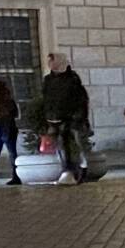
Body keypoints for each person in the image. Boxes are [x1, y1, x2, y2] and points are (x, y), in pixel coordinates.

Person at [39, 52, 93, 183]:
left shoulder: (72, 79)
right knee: (60, 146)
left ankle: (81, 169)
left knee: (76, 144)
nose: (50, 64)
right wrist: (47, 116)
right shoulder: (48, 80)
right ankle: (66, 170)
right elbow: (46, 100)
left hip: (72, 118)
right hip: (54, 119)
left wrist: (77, 116)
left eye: (52, 61)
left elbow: (80, 100)